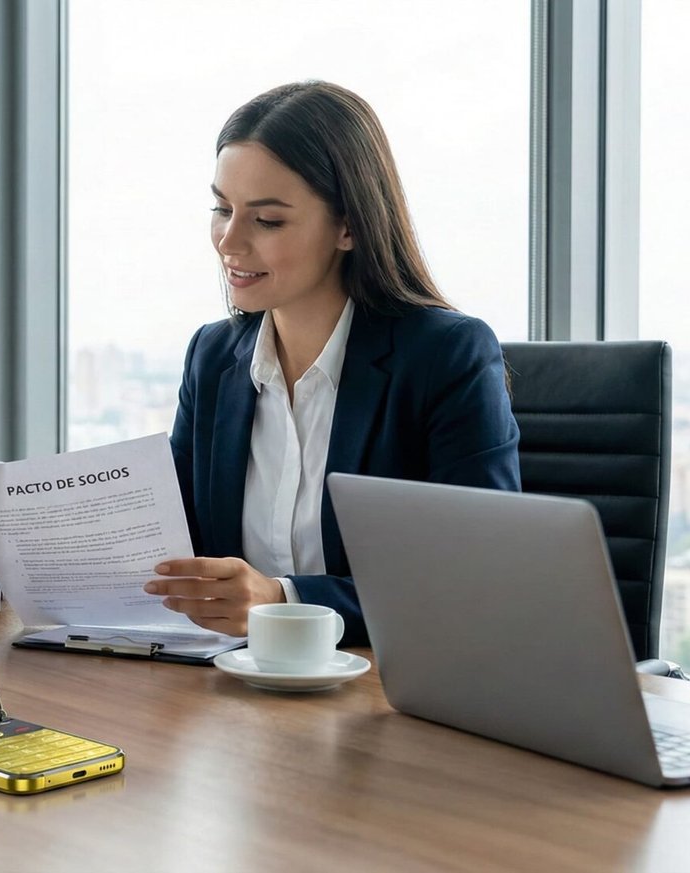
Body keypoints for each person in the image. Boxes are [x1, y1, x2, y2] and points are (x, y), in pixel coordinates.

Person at [146, 81, 520, 643]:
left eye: (266, 220)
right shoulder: (213, 358)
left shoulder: (445, 356)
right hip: (237, 686)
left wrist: (284, 600)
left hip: (384, 692)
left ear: (348, 226)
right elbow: (176, 542)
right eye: (222, 209)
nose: (229, 241)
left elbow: (479, 578)